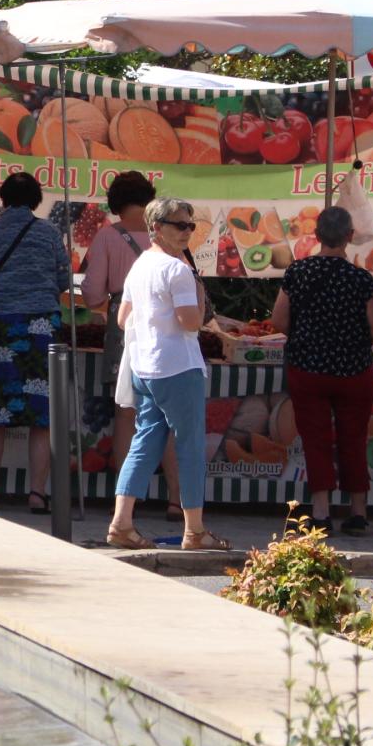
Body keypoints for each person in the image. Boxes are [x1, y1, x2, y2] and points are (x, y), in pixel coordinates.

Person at [106, 198, 228, 551]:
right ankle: (194, 531)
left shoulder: (141, 264)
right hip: (177, 366)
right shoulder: (177, 271)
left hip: (146, 366)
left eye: (189, 226)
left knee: (144, 443)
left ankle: (121, 523)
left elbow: (121, 318)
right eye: (179, 225)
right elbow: (191, 322)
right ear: (157, 228)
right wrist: (200, 294)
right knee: (189, 446)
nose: (187, 232)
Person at [270, 206, 373, 536]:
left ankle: (320, 513)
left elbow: (279, 321)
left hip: (308, 368)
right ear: (350, 236)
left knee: (316, 439)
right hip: (353, 370)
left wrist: (309, 334)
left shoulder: (298, 272)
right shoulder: (361, 279)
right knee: (354, 438)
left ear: (316, 236)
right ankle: (358, 512)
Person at [0, 172, 71, 513]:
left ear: (3, 198)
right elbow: (64, 278)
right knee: (43, 413)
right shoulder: (50, 232)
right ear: (36, 200)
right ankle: (37, 494)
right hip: (42, 324)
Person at [79, 171, 181, 512]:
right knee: (166, 412)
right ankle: (177, 499)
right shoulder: (168, 235)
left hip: (126, 325)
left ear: (115, 202)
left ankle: (125, 502)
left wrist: (106, 300)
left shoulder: (108, 237)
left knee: (126, 412)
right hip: (167, 327)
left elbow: (92, 292)